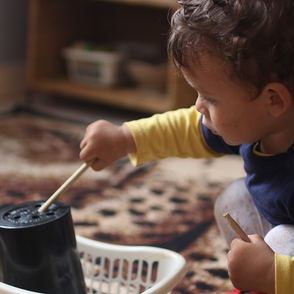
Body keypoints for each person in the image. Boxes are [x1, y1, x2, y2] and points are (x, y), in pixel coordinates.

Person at [79, 0, 294, 293]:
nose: (198, 106)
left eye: (211, 98)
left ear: (274, 100)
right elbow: (189, 129)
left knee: (284, 242)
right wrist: (124, 137)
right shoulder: (265, 122)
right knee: (235, 198)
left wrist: (274, 273)